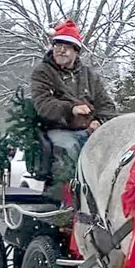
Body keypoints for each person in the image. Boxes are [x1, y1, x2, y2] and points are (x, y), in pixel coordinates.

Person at [29, 20, 117, 172]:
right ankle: (67, 185)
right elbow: (43, 105)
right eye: (58, 46)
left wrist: (98, 121)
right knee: (70, 148)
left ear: (76, 51)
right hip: (57, 129)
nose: (61, 51)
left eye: (67, 47)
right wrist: (71, 109)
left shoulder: (89, 75)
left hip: (89, 130)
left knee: (114, 150)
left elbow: (106, 105)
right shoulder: (43, 72)